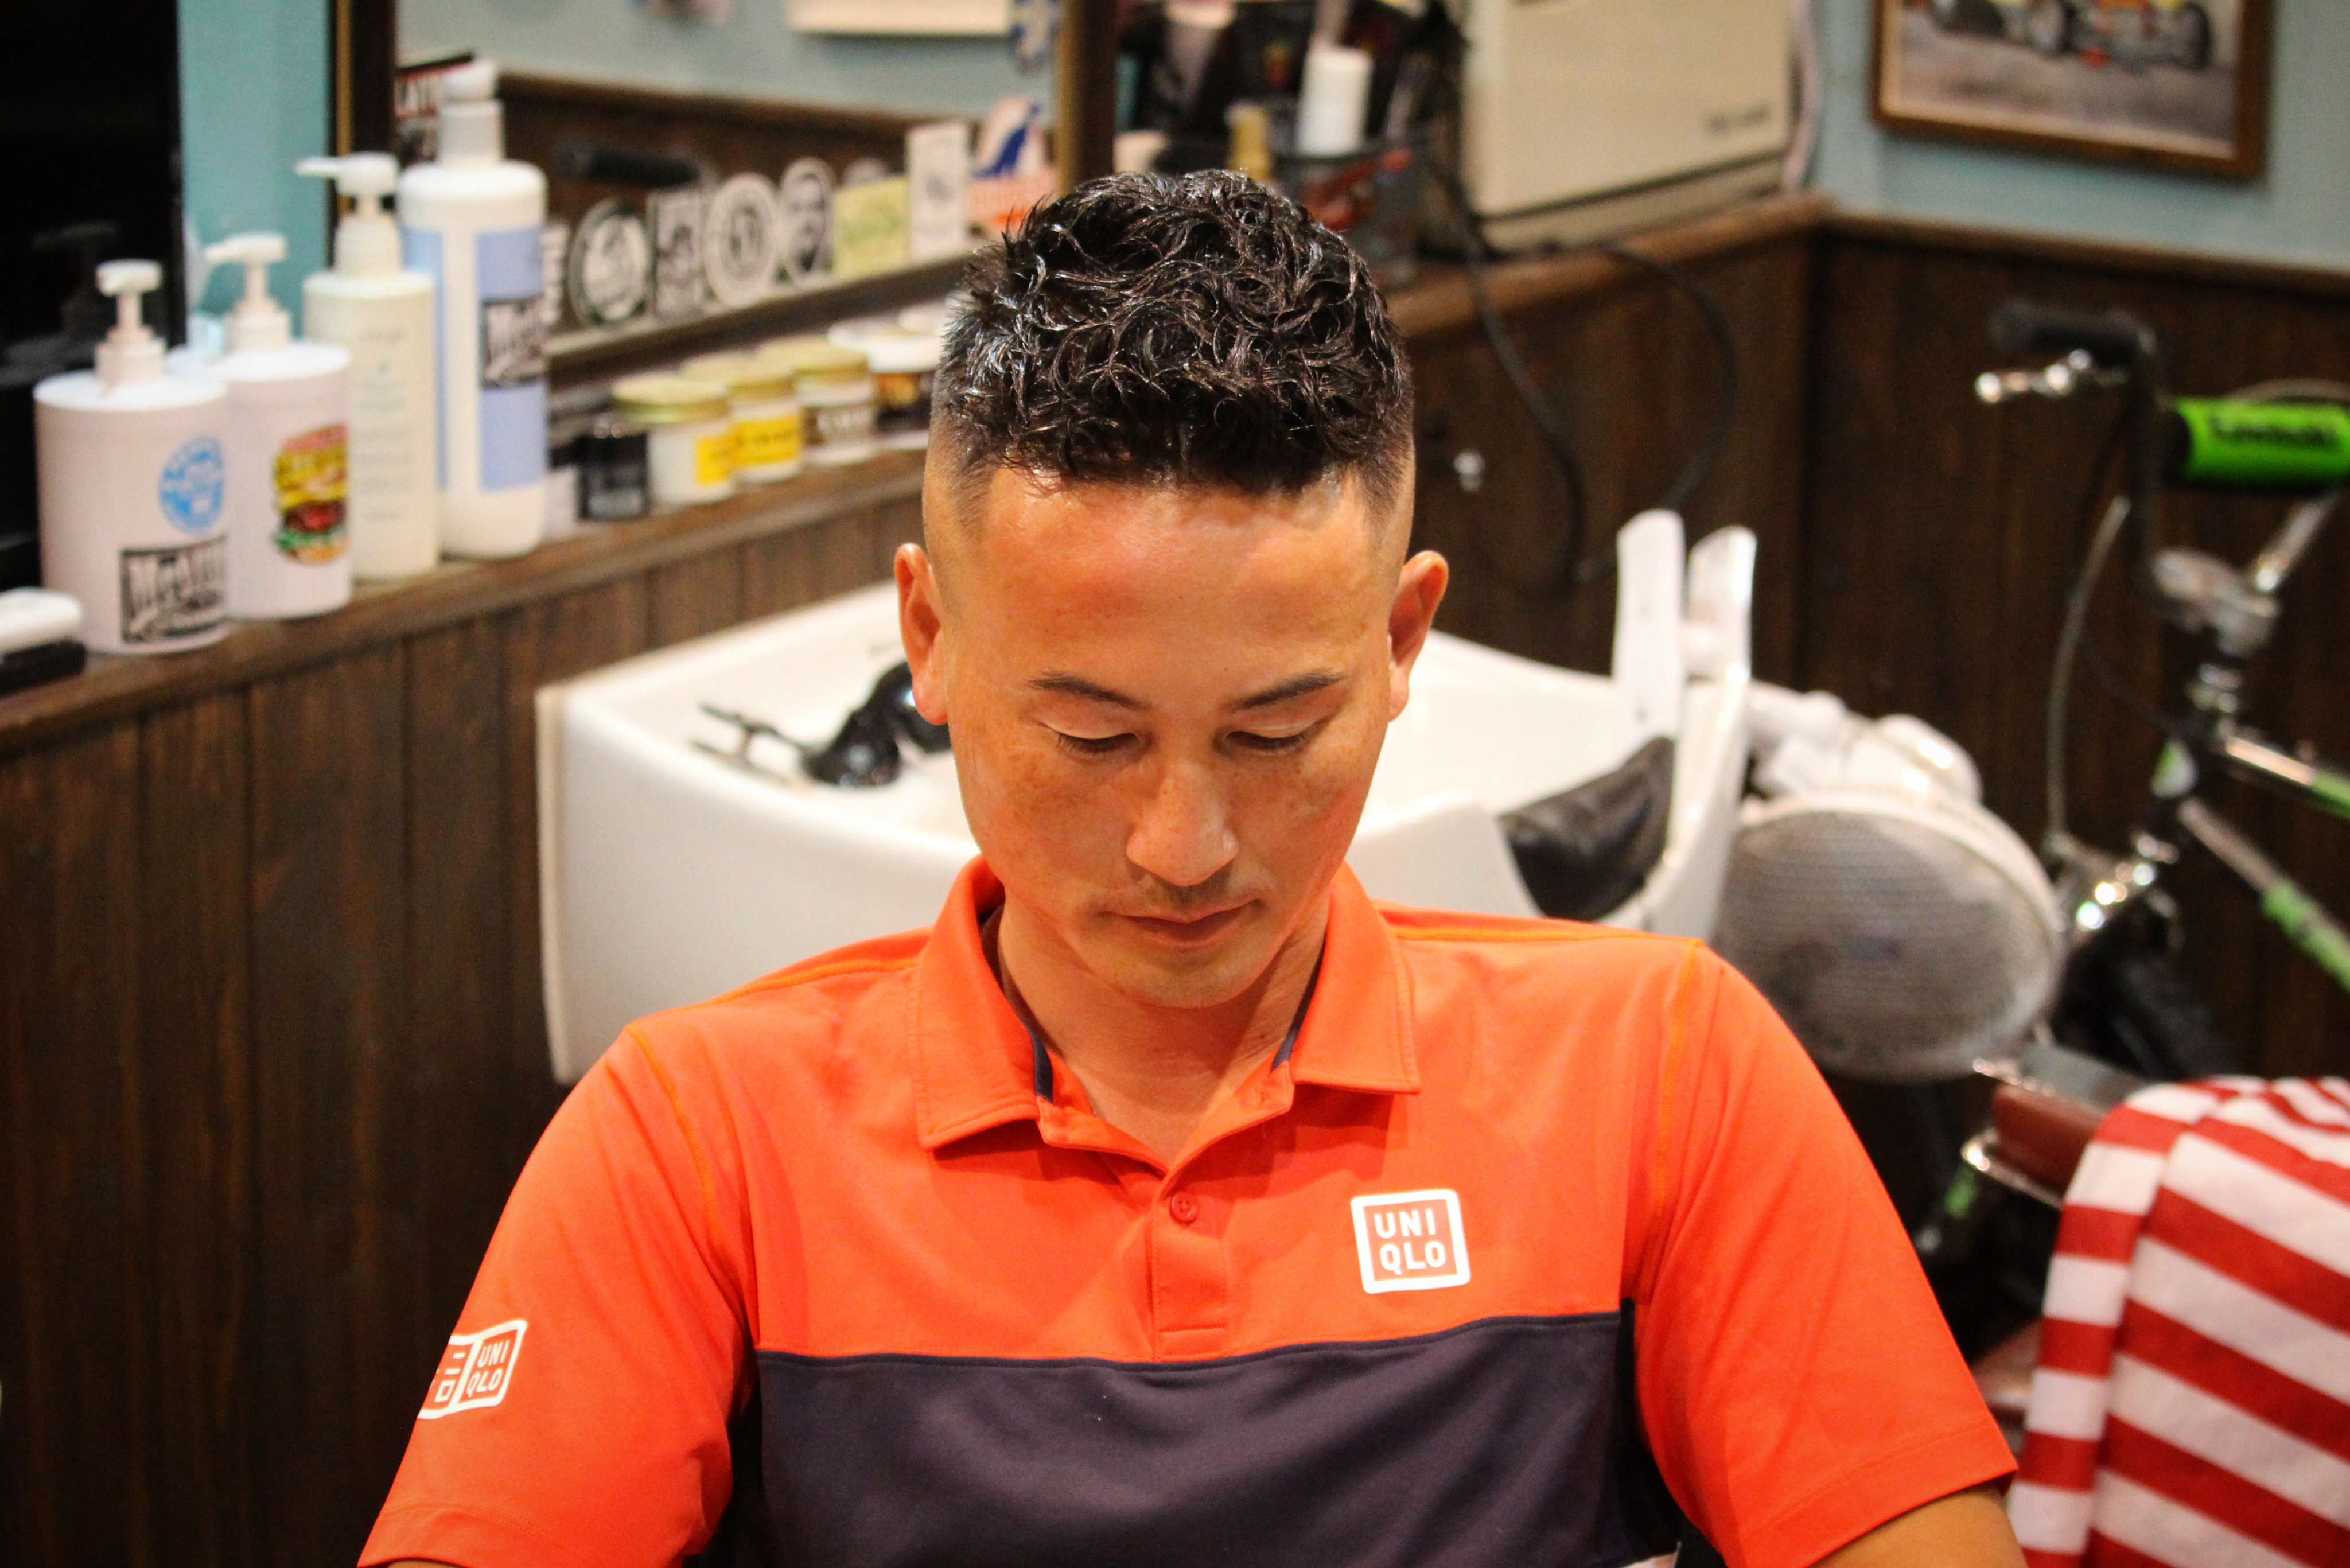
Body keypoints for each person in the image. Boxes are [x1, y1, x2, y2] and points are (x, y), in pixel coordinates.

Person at [364, 172, 2022, 1568]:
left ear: (1402, 643)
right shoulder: (696, 1140)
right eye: (1089, 737)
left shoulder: (1660, 1070)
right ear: (929, 639)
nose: (1184, 847)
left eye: (1275, 732)